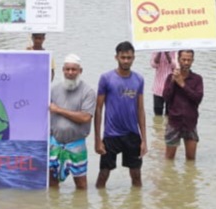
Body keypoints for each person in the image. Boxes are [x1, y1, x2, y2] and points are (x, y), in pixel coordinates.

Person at [93, 41, 147, 188]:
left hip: (132, 134)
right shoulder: (106, 78)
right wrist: (97, 140)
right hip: (111, 135)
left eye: (129, 57)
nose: (126, 61)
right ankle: (101, 208)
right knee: (103, 175)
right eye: (123, 57)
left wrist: (144, 140)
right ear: (116, 57)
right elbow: (98, 109)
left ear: (133, 58)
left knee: (136, 177)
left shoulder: (139, 79)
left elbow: (140, 109)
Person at [48, 54, 96, 189]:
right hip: (55, 144)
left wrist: (59, 110)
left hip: (76, 145)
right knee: (52, 183)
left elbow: (85, 117)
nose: (70, 73)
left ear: (80, 71)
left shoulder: (88, 92)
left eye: (74, 70)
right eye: (67, 69)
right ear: (63, 70)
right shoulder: (53, 90)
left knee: (81, 185)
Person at [162, 49, 203, 161]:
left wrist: (182, 84)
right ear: (179, 60)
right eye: (184, 59)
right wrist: (173, 81)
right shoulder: (170, 77)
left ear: (193, 61)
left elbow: (197, 99)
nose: (186, 62)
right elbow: (166, 97)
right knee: (169, 159)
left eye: (189, 60)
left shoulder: (197, 79)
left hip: (190, 122)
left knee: (191, 159)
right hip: (174, 121)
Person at [150, 50, 178, 117]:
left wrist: (167, 54)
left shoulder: (175, 51)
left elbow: (176, 66)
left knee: (169, 114)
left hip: (171, 88)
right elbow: (153, 64)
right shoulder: (155, 50)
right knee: (157, 114)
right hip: (158, 88)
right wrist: (159, 52)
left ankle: (167, 127)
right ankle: (158, 127)